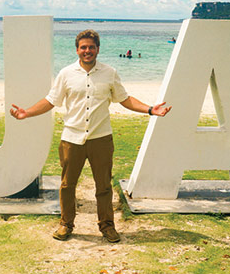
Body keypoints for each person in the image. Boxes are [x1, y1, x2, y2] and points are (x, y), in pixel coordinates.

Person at [10, 29, 171, 243]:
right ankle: (66, 224)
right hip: (71, 139)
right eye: (83, 47)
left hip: (101, 139)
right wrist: (27, 112)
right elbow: (51, 100)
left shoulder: (110, 73)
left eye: (91, 47)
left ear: (97, 49)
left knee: (103, 186)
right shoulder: (66, 74)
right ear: (77, 50)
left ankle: (107, 226)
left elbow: (125, 99)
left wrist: (150, 109)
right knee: (67, 186)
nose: (87, 51)